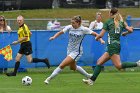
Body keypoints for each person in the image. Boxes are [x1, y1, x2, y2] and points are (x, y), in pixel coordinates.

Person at [83, 8, 140, 86]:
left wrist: (97, 37)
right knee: (99, 62)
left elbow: (101, 35)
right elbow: (130, 30)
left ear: (111, 13)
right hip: (115, 45)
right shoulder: (122, 22)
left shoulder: (108, 22)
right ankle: (91, 80)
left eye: (109, 12)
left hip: (112, 46)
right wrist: (125, 33)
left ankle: (137, 63)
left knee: (119, 66)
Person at [44, 15, 105, 84]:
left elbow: (96, 34)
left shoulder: (83, 29)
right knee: (73, 67)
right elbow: (60, 32)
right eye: (71, 22)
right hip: (69, 50)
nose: (72, 24)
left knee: (62, 65)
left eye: (73, 23)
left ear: (78, 23)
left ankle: (48, 79)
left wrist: (101, 40)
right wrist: (53, 37)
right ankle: (88, 76)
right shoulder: (69, 27)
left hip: (77, 51)